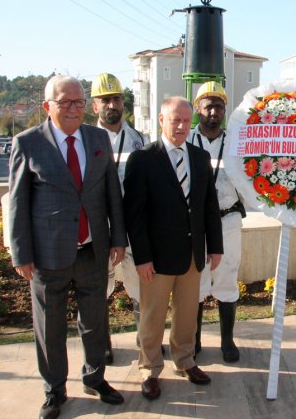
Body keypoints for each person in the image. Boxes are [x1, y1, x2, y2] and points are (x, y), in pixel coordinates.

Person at [8, 75, 127, 419]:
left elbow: (111, 195)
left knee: (94, 320)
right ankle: (54, 390)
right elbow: (17, 202)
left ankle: (95, 378)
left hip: (93, 248)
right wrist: (22, 253)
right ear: (48, 106)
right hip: (48, 256)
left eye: (78, 101)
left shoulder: (97, 137)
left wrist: (117, 238)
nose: (73, 108)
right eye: (65, 102)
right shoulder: (27, 143)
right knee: (51, 326)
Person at [123, 96, 223, 401]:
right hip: (155, 257)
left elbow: (208, 205)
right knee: (152, 316)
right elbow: (134, 215)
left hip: (192, 253)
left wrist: (215, 246)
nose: (181, 126)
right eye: (174, 120)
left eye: (185, 120)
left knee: (187, 313)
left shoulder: (198, 156)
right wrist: (142, 258)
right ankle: (150, 369)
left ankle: (185, 360)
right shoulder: (142, 159)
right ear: (161, 119)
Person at [91, 73, 149, 364]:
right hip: (100, 227)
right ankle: (103, 343)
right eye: (105, 100)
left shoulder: (140, 140)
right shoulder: (87, 140)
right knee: (100, 287)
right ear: (95, 106)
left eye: (116, 99)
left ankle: (144, 339)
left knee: (141, 285)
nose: (112, 105)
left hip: (132, 226)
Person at [190, 81, 245, 363]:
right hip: (195, 224)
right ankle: (195, 340)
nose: (213, 111)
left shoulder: (237, 142)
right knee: (195, 282)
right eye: (208, 105)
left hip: (228, 219)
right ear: (198, 108)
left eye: (219, 106)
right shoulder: (186, 141)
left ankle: (227, 341)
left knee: (227, 279)